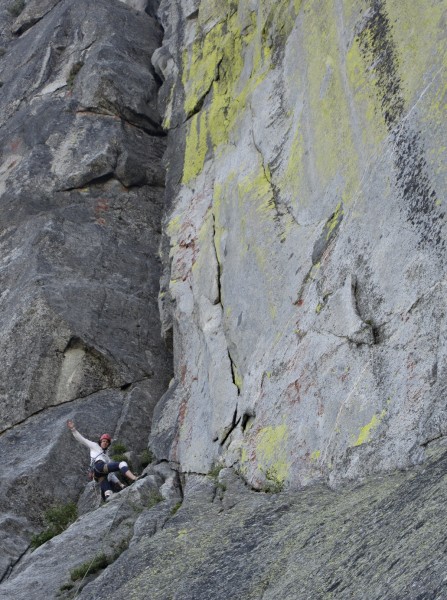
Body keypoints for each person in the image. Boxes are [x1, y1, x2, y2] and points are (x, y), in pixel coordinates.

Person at [67, 420, 139, 501]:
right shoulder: (94, 446)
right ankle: (134, 478)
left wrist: (120, 484)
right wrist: (73, 429)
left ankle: (108, 499)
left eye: (107, 442)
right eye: (103, 441)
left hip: (98, 475)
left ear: (108, 444)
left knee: (108, 492)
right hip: (99, 466)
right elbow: (82, 439)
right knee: (121, 464)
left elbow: (111, 474)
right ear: (100, 442)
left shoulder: (106, 457)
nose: (105, 443)